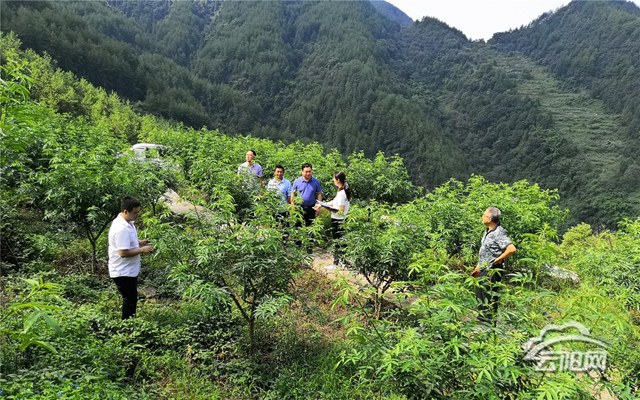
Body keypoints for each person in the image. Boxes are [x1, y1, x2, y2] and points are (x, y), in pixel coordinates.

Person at [108, 197, 153, 319]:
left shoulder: (128, 222)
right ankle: (127, 325)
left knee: (131, 298)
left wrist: (139, 242)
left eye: (138, 212)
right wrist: (142, 250)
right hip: (122, 271)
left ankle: (130, 324)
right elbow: (123, 253)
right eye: (135, 213)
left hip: (129, 270)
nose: (137, 215)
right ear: (126, 211)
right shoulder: (121, 228)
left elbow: (126, 240)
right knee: (130, 300)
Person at [473, 207, 516, 325]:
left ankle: (489, 324)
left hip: (492, 270)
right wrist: (478, 266)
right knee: (480, 295)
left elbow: (511, 249)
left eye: (484, 215)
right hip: (483, 268)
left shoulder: (498, 232)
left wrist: (498, 259)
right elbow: (485, 250)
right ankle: (482, 321)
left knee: (489, 296)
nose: (482, 217)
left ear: (489, 219)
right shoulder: (488, 231)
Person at [315, 171, 351, 270]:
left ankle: (337, 263)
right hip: (340, 219)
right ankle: (342, 262)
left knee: (337, 242)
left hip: (338, 220)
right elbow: (334, 202)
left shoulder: (342, 193)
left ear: (338, 180)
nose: (333, 180)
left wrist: (326, 207)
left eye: (334, 178)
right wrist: (322, 204)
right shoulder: (342, 190)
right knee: (341, 241)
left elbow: (340, 210)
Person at [290, 163, 322, 252]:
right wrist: (292, 205)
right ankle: (298, 246)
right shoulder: (297, 181)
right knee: (298, 226)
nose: (308, 173)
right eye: (306, 171)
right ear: (302, 172)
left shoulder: (316, 181)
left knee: (310, 228)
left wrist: (319, 206)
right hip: (299, 208)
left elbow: (319, 194)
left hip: (311, 208)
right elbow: (293, 193)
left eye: (310, 171)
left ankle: (309, 247)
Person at [267, 165, 292, 233]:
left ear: (283, 173)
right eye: (278, 172)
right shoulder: (271, 182)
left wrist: (289, 208)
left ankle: (285, 239)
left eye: (281, 172)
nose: (279, 173)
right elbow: (268, 195)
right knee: (273, 228)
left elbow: (289, 196)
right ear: (274, 172)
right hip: (273, 209)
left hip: (284, 209)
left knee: (285, 228)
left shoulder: (287, 183)